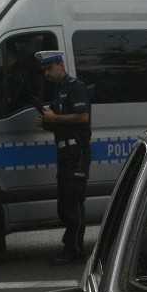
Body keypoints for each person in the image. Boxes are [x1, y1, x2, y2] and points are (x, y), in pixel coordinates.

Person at [34, 50, 92, 264]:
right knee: (64, 201)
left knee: (74, 200)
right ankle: (70, 246)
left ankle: (76, 250)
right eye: (44, 71)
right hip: (64, 151)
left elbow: (82, 116)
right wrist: (48, 123)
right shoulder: (59, 90)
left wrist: (55, 117)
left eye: (49, 68)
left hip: (77, 151)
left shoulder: (75, 86)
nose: (47, 73)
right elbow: (63, 124)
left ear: (60, 64)